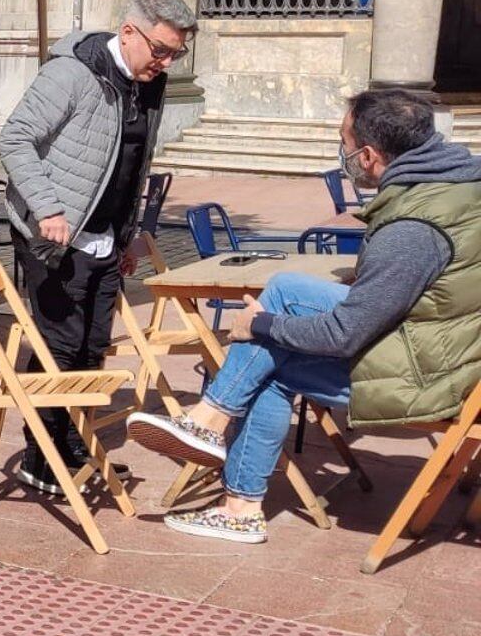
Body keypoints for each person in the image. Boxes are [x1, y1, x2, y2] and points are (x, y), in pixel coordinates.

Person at [130, 88, 481, 544]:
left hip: (428, 375)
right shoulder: (458, 185)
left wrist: (257, 324)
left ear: (371, 155)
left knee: (271, 356)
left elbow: (346, 335)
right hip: (447, 347)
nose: (342, 153)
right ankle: (213, 428)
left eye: (345, 141)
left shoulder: (411, 228)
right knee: (285, 290)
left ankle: (234, 492)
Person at [0, 0, 196, 495]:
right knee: (59, 348)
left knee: (90, 349)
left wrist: (125, 233)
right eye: (160, 50)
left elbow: (131, 165)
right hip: (55, 237)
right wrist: (49, 208)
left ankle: (71, 444)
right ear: (128, 32)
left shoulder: (150, 84)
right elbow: (14, 138)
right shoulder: (71, 73)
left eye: (176, 54)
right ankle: (41, 458)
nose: (166, 62)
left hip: (105, 238)